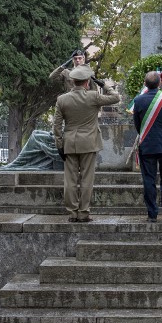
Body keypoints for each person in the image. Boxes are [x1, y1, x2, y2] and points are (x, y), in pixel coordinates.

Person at [53, 65, 120, 222]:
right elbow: (116, 97)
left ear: (73, 81)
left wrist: (59, 143)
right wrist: (104, 85)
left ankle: (72, 213)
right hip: (89, 143)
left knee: (70, 180)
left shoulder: (62, 99)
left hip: (69, 143)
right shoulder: (93, 96)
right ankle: (83, 213)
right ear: (86, 82)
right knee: (86, 179)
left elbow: (56, 125)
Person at [133, 71, 162, 223]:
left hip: (147, 146)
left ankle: (152, 214)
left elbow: (138, 126)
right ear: (159, 83)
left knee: (149, 180)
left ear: (145, 84)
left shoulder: (138, 101)